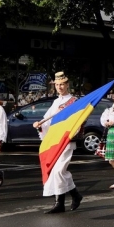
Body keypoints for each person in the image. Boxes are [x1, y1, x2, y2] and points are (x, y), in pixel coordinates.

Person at [33, 72, 82, 214]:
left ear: (67, 85)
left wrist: (71, 130)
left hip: (65, 140)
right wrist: (40, 124)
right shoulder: (56, 101)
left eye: (62, 84)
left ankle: (68, 199)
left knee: (59, 171)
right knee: (56, 171)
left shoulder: (73, 101)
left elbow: (77, 120)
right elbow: (47, 119)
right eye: (57, 85)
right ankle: (68, 199)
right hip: (55, 141)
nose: (59, 87)